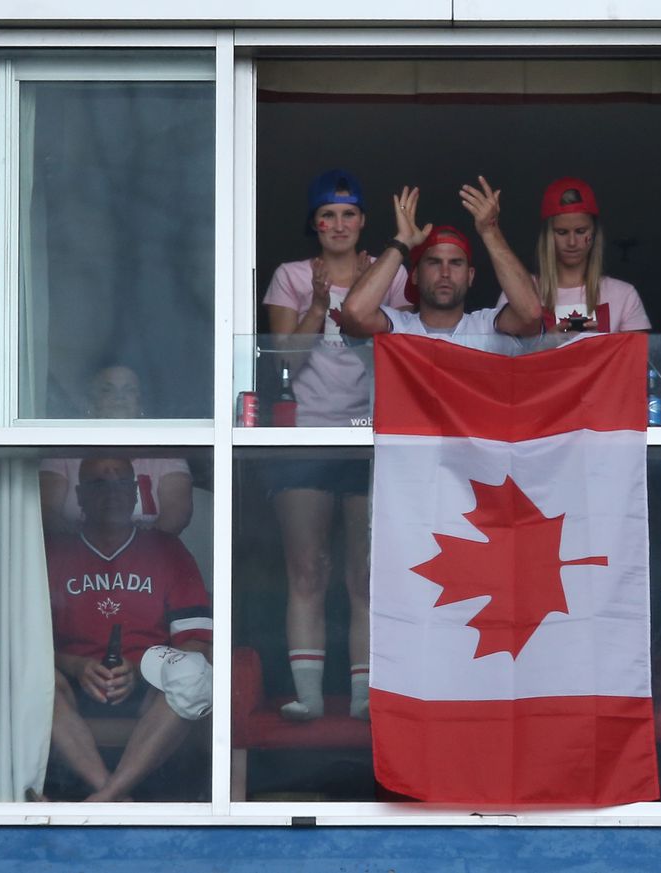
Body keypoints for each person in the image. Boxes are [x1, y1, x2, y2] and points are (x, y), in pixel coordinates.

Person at [262, 169, 411, 721]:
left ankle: (364, 695)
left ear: (363, 221)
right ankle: (307, 694)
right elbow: (282, 363)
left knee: (365, 575)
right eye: (329, 215)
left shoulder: (389, 276)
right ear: (315, 223)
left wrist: (368, 296)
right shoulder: (292, 276)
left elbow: (404, 357)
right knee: (307, 567)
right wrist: (319, 303)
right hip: (304, 436)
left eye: (349, 214)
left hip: (371, 436)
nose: (339, 224)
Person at [45, 458, 213, 802]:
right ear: (79, 496)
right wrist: (76, 666)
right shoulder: (54, 552)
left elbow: (197, 642)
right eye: (98, 484)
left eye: (121, 482)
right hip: (74, 684)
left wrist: (139, 672)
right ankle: (114, 794)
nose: (112, 492)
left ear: (135, 492)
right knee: (33, 681)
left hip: (146, 684)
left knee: (196, 675)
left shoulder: (167, 550)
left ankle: (106, 797)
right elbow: (23, 645)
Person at [340, 178, 542, 341]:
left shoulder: (487, 327)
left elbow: (530, 315)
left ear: (470, 276)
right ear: (415, 275)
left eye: (456, 263)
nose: (445, 273)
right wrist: (402, 241)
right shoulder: (397, 328)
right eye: (434, 262)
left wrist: (491, 232)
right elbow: (354, 314)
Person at [40, 364, 194, 536]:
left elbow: (178, 513)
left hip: (150, 555)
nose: (119, 398)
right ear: (91, 404)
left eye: (129, 390)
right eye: (108, 390)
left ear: (141, 404)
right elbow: (46, 511)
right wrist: (82, 545)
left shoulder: (165, 453)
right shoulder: (64, 452)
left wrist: (138, 546)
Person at [522, 177, 651, 333]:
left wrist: (595, 347)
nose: (572, 242)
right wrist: (545, 346)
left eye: (581, 231)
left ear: (594, 233)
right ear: (547, 236)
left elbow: (635, 356)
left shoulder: (624, 295)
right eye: (561, 232)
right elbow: (502, 355)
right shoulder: (521, 292)